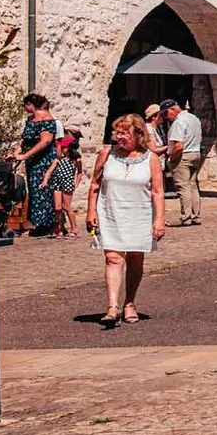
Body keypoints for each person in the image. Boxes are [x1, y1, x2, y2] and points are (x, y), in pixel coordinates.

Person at [88, 112, 166, 328]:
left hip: (139, 214)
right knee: (113, 258)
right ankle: (112, 306)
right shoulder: (106, 154)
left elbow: (158, 192)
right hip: (111, 212)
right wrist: (91, 212)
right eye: (117, 133)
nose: (119, 137)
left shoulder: (151, 159)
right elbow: (94, 185)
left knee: (135, 259)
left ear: (138, 134)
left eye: (125, 133)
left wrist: (160, 219)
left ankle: (129, 302)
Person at [18, 93, 62, 236]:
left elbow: (47, 141)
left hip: (44, 161)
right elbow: (24, 141)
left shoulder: (47, 120)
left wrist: (25, 155)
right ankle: (37, 222)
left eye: (25, 105)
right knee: (34, 191)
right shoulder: (30, 120)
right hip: (32, 161)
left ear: (30, 104)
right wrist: (17, 153)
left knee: (43, 190)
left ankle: (46, 224)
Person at [161, 99, 205, 225]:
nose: (165, 117)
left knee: (183, 186)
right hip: (195, 153)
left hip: (183, 155)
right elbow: (200, 137)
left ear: (174, 109)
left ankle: (186, 216)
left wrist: (171, 158)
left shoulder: (179, 122)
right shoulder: (194, 118)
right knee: (192, 185)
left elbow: (179, 145)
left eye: (166, 113)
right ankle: (195, 215)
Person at [50, 125, 83, 238]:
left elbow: (79, 172)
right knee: (57, 207)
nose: (62, 150)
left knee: (67, 206)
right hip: (58, 182)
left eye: (64, 148)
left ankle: (74, 227)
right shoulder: (60, 159)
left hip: (68, 182)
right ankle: (60, 227)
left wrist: (76, 182)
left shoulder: (75, 160)